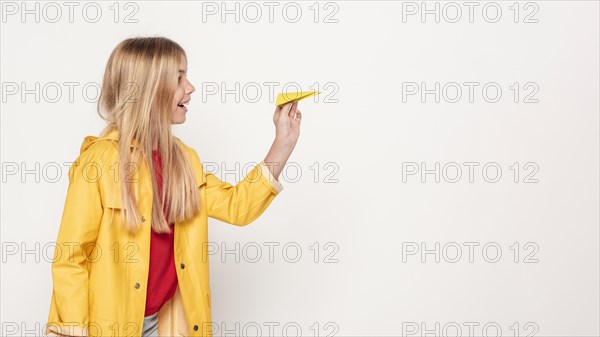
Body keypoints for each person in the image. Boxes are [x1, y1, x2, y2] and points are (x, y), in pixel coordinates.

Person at [45, 36, 302, 337]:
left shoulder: (184, 160)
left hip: (166, 324)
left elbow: (237, 207)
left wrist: (283, 143)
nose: (190, 88)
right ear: (148, 89)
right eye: (179, 77)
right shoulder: (99, 162)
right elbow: (71, 258)